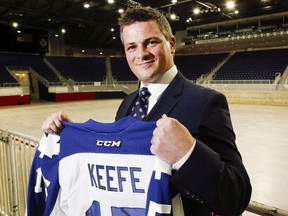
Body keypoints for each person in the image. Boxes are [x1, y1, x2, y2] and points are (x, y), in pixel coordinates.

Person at [42, 6, 252, 216]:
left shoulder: (205, 102)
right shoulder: (127, 104)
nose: (141, 53)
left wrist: (188, 154)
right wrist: (71, 135)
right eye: (131, 47)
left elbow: (236, 196)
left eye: (151, 42)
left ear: (171, 44)